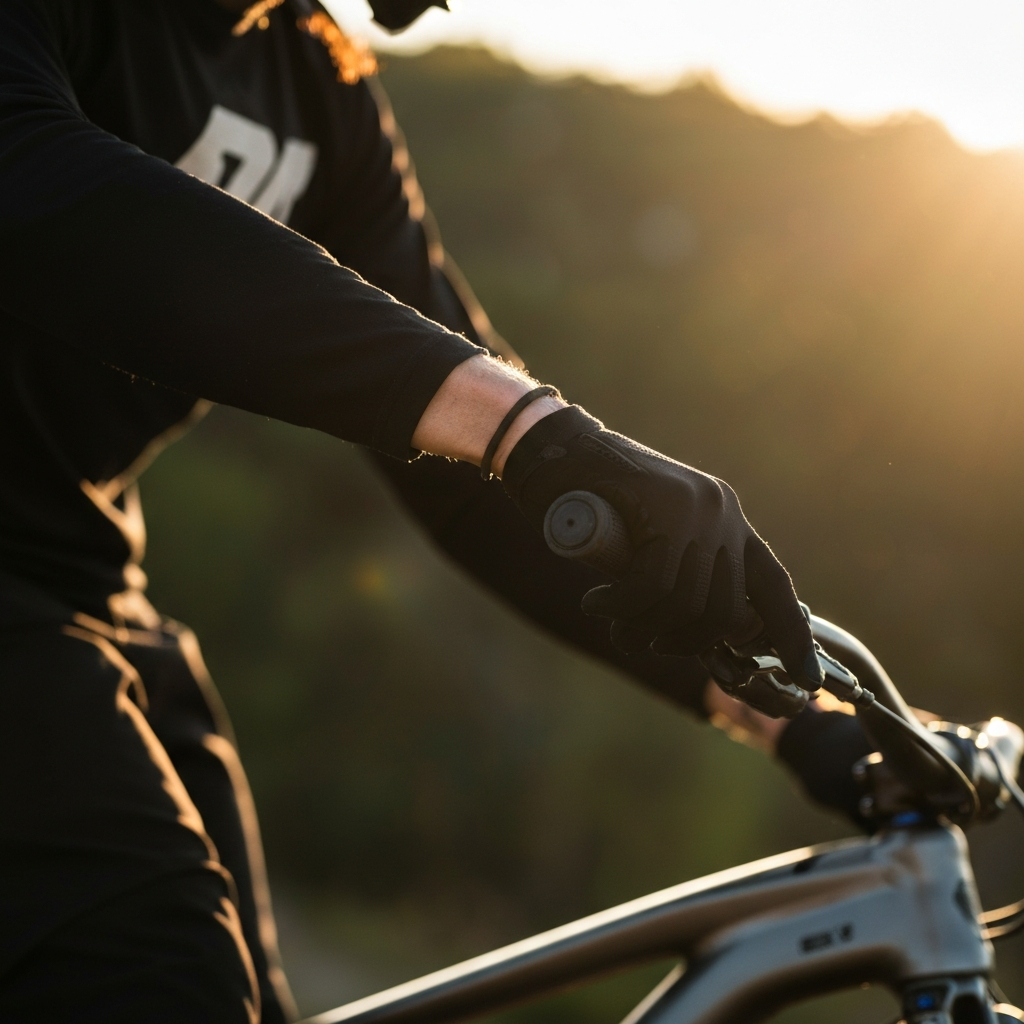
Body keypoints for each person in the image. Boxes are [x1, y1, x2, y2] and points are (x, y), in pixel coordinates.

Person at [0, 0, 873, 1020]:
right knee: (159, 973)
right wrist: (526, 427)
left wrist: (791, 713)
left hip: (82, 580)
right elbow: (33, 172)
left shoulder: (314, 85)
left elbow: (468, 466)